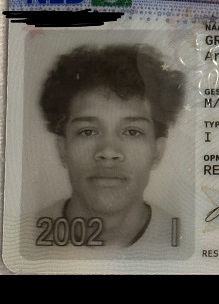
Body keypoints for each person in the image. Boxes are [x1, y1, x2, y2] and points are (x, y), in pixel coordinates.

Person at [37, 43, 185, 249]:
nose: (108, 152)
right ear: (62, 148)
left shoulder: (187, 240)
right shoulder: (18, 236)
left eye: (132, 132)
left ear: (157, 151)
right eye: (87, 131)